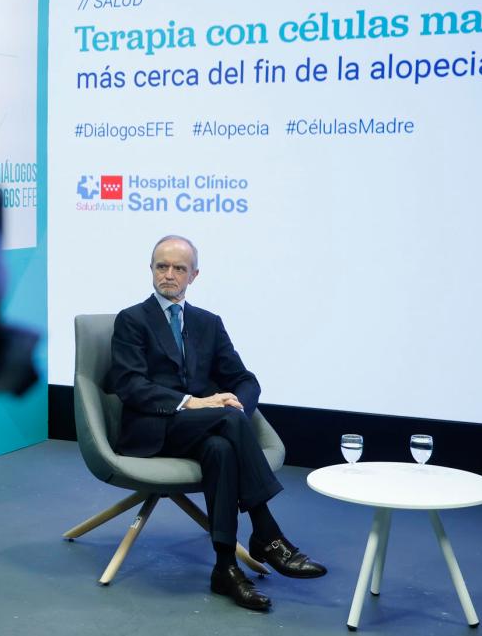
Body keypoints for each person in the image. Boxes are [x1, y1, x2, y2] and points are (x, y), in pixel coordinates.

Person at [107, 235, 326, 611]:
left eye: (179, 268)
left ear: (194, 275)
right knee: (224, 423)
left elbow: (245, 379)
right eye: (162, 266)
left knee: (222, 447)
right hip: (151, 430)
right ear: (151, 270)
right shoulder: (132, 320)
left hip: (203, 431)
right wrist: (194, 402)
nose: (169, 275)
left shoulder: (208, 323)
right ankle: (267, 533)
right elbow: (131, 386)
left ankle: (225, 568)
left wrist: (237, 408)